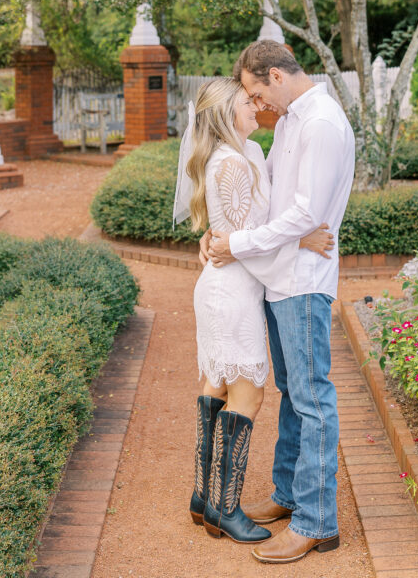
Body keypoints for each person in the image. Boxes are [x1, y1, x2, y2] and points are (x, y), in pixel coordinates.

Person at [203, 40, 355, 564]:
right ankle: (290, 496)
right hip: (280, 276)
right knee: (292, 392)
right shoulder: (291, 118)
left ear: (275, 75)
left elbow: (306, 214)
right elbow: (269, 198)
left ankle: (317, 523)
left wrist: (236, 245)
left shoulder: (321, 124)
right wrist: (218, 231)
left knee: (312, 399)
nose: (256, 104)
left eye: (254, 92)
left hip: (305, 281)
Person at [173, 77, 334, 545]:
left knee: (218, 385)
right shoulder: (231, 164)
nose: (255, 108)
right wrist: (301, 239)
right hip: (232, 291)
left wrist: (227, 240)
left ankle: (205, 498)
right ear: (226, 114)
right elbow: (247, 243)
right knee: (250, 394)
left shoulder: (250, 154)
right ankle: (225, 508)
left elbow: (241, 234)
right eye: (247, 103)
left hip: (233, 285)